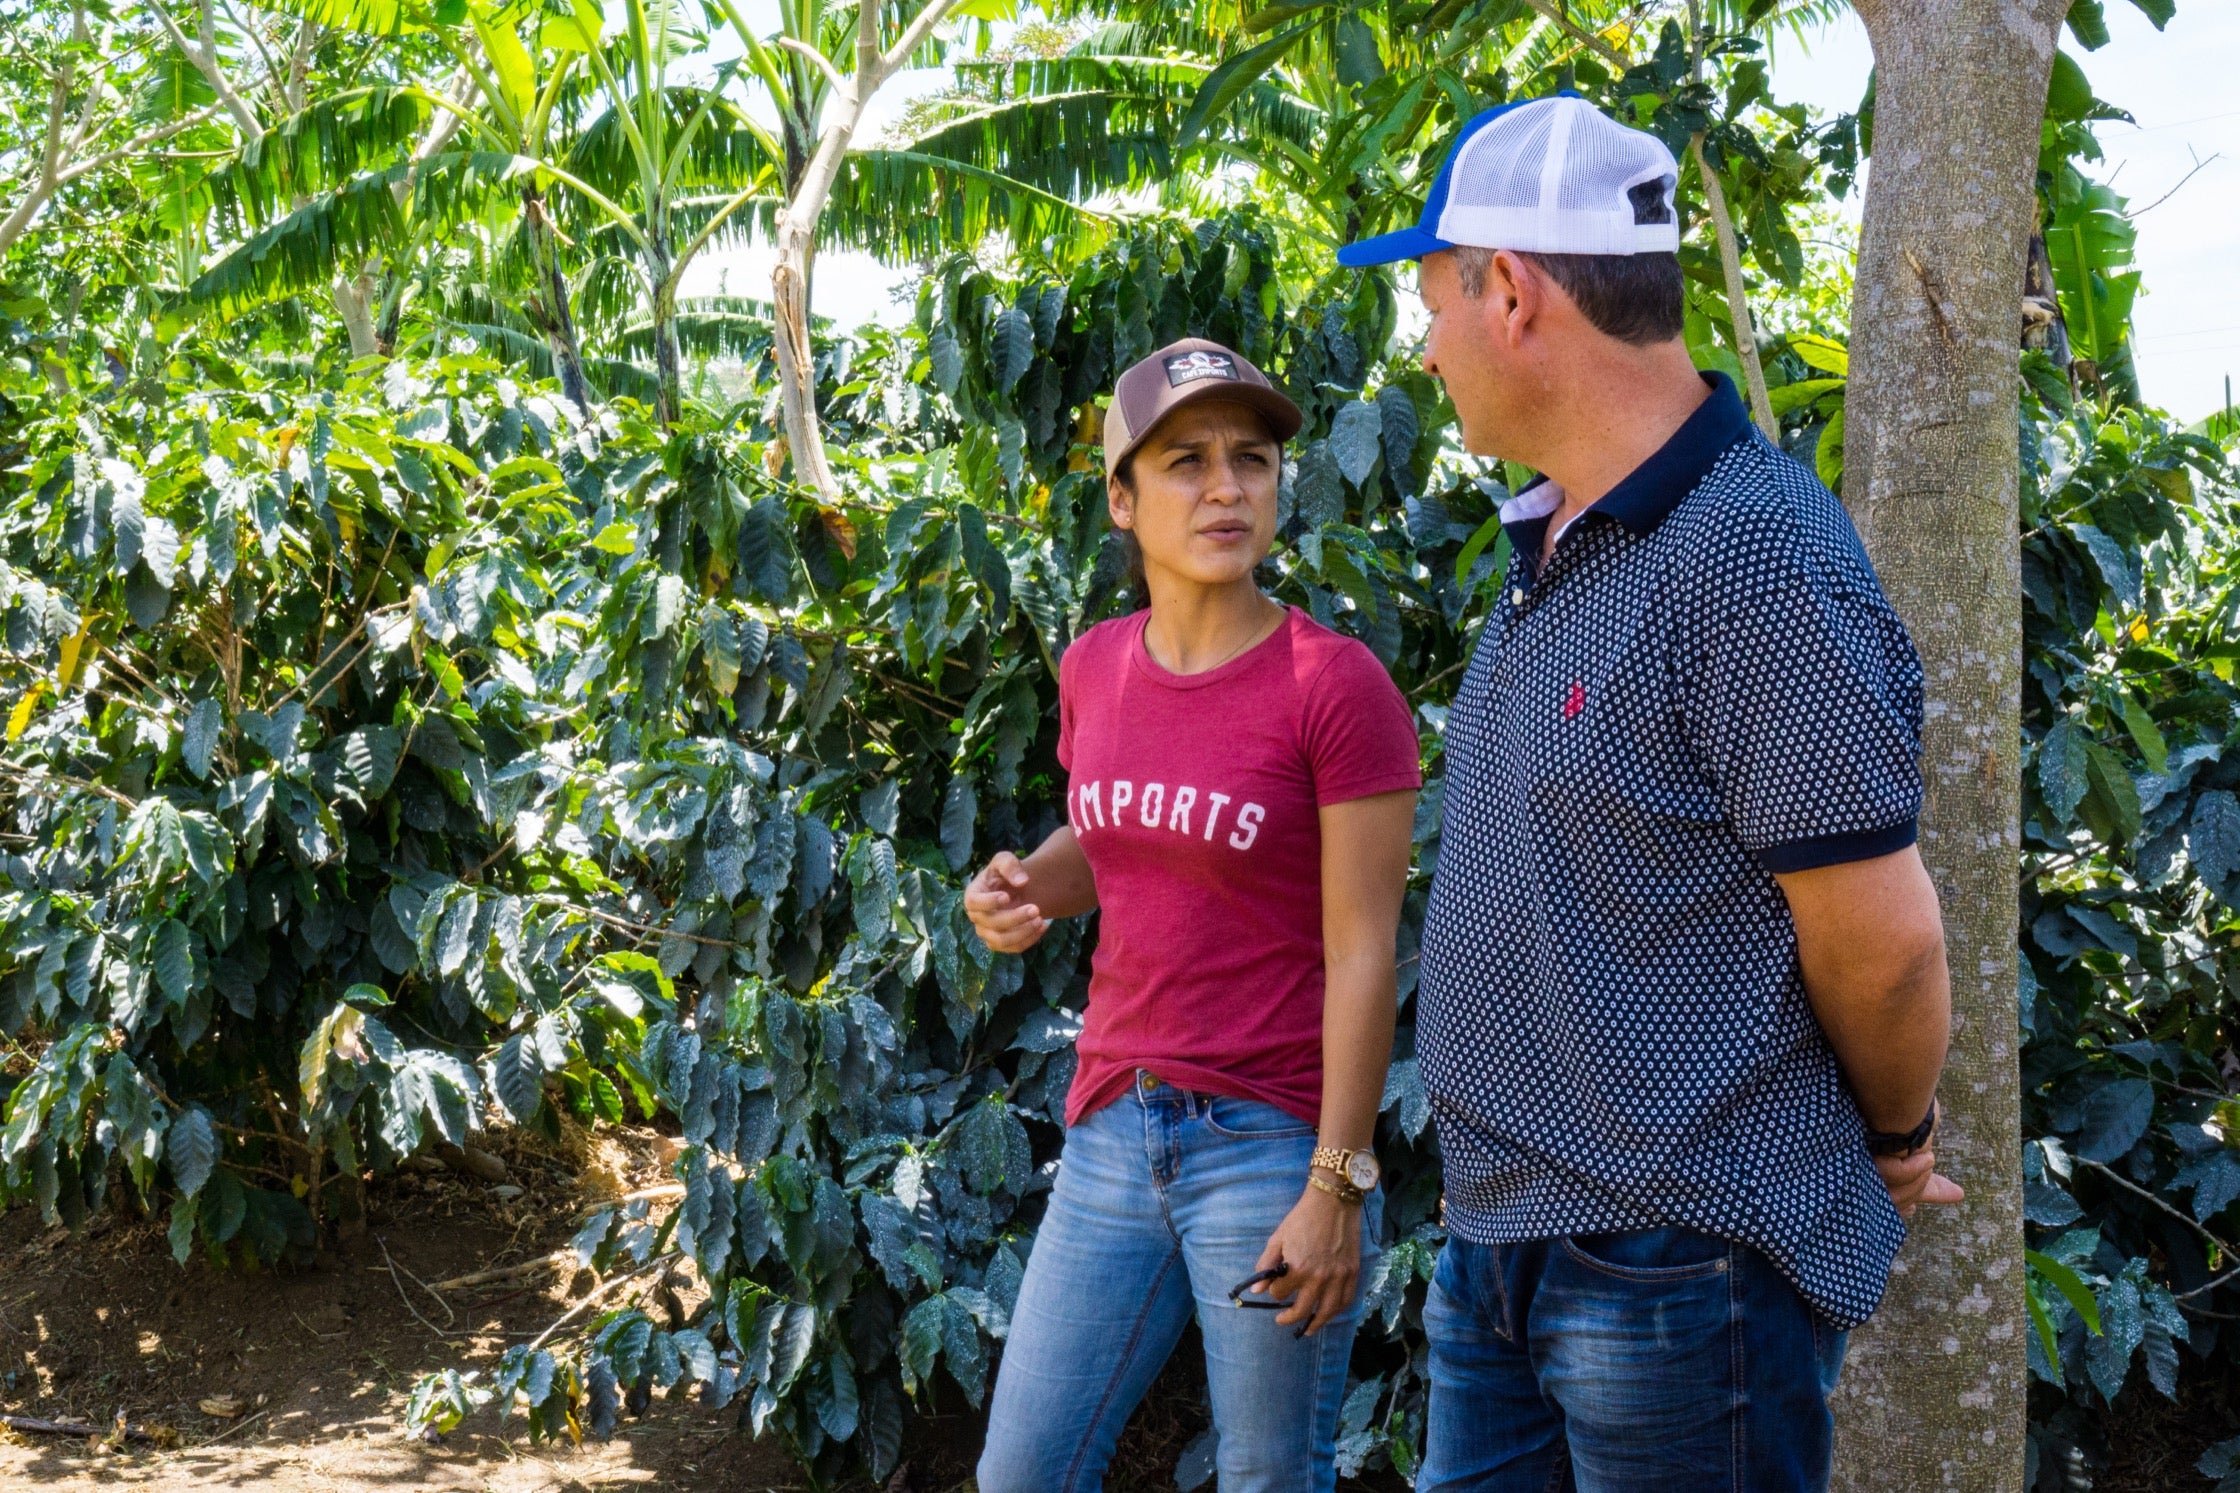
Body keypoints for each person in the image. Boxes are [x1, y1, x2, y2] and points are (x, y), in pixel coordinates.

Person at [1334, 95, 1964, 1490]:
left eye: (1432, 298)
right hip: (1505, 1246)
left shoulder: (1750, 557)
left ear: (1512, 290)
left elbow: (1886, 941)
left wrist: (1897, 1135)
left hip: (1677, 1265)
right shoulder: (1558, 534)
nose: (1426, 343)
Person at [966, 338, 1421, 1493]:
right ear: (1120, 498)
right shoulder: (1093, 666)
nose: (1224, 487)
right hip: (1115, 1123)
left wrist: (1336, 1184)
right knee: (1021, 1470)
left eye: (1250, 458)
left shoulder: (1335, 686)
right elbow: (1120, 839)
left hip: (1270, 1145)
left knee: (1270, 1479)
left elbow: (1365, 949)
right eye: (1183, 462)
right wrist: (1024, 886)